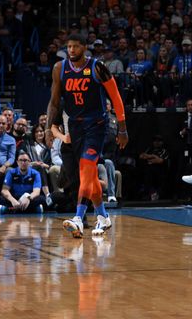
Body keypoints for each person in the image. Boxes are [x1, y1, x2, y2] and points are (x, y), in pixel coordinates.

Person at [46, 33, 129, 238]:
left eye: (75, 46)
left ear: (84, 47)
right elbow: (54, 102)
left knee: (86, 168)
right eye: (69, 47)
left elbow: (116, 98)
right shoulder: (60, 69)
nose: (71, 50)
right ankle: (103, 216)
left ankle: (78, 218)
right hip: (75, 127)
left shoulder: (97, 67)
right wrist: (49, 128)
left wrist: (122, 128)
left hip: (97, 126)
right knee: (89, 176)